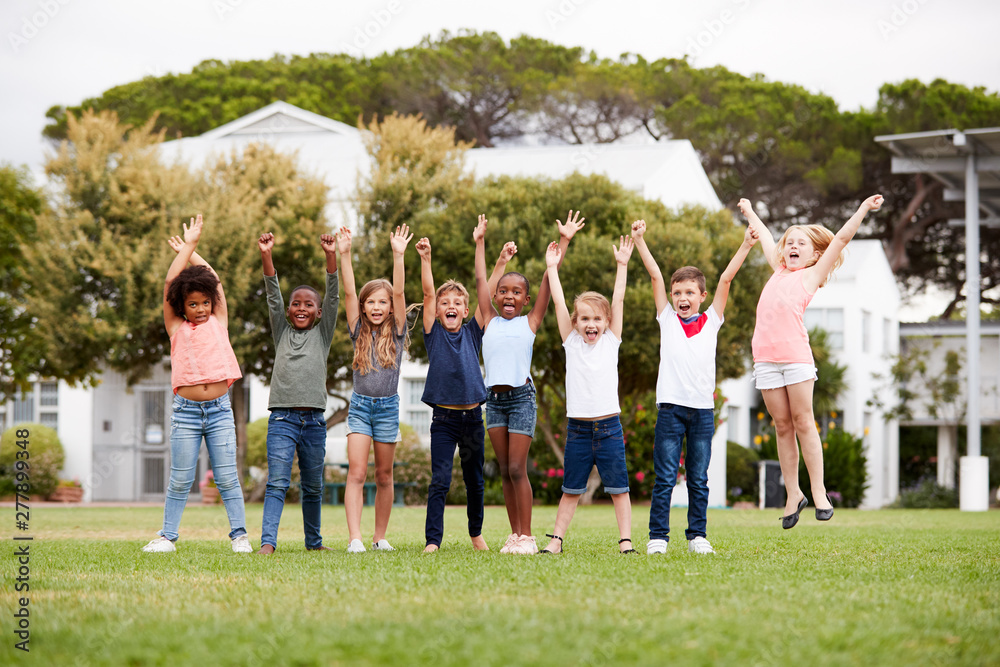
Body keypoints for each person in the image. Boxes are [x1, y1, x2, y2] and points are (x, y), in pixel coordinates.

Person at [739, 194, 883, 528]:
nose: (791, 246)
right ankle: (794, 493)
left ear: (814, 253)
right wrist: (748, 211)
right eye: (789, 242)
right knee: (782, 426)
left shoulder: (812, 275)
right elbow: (764, 234)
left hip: (795, 359)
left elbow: (843, 238)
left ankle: (818, 490)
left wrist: (862, 208)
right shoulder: (777, 269)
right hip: (765, 360)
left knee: (803, 421)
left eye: (800, 242)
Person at [631, 217, 758, 555]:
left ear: (702, 296)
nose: (682, 298)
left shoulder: (712, 319)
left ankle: (697, 536)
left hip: (702, 410)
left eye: (689, 293)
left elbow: (727, 277)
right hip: (671, 409)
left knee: (698, 478)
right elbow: (655, 275)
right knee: (665, 478)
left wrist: (746, 244)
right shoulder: (667, 319)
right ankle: (658, 537)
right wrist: (640, 240)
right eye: (677, 293)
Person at [477, 211, 585, 555]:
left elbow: (547, 283)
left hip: (522, 399)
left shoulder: (530, 321)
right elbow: (481, 280)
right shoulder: (489, 321)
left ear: (525, 300)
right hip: (493, 401)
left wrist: (563, 242)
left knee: (515, 468)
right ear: (495, 297)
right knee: (504, 473)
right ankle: (514, 535)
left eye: (517, 293)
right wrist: (479, 242)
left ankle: (528, 535)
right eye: (503, 291)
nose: (509, 296)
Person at [143, 215, 250, 554]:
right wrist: (186, 247)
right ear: (181, 306)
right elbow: (169, 283)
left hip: (219, 410)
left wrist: (193, 251)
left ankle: (240, 536)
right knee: (180, 479)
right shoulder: (176, 328)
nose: (202, 308)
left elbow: (214, 282)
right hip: (186, 413)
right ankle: (167, 537)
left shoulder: (219, 321)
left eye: (205, 302)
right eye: (194, 304)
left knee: (227, 478)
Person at [538, 236, 636, 555]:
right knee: (571, 489)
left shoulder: (611, 341)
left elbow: (619, 299)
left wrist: (622, 265)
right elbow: (558, 302)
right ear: (576, 323)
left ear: (606, 322)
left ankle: (625, 542)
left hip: (609, 428)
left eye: (597, 318)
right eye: (584, 319)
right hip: (578, 430)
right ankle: (556, 540)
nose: (590, 324)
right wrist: (552, 268)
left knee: (619, 489)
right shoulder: (571, 343)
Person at [255, 231, 339, 555]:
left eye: (308, 305)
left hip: (314, 422)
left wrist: (330, 255)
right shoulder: (281, 331)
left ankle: (313, 543)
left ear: (318, 312)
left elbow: (333, 295)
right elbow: (272, 295)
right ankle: (267, 543)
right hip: (282, 418)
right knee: (277, 482)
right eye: (296, 304)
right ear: (288, 310)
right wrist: (267, 254)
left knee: (313, 486)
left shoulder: (323, 333)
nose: (301, 308)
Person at [414, 227, 493, 553]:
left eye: (457, 303)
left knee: (475, 481)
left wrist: (482, 246)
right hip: (444, 421)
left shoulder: (474, 332)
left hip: (473, 418)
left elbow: (484, 290)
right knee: (440, 480)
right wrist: (426, 259)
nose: (450, 305)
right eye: (445, 302)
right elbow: (429, 294)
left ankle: (476, 534)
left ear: (465, 310)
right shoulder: (433, 332)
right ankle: (433, 541)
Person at [338, 225, 413, 553]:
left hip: (387, 408)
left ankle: (379, 536)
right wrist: (345, 254)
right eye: (372, 302)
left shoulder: (397, 331)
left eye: (383, 302)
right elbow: (350, 293)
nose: (377, 306)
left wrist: (399, 256)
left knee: (384, 475)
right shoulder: (358, 330)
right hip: (360, 407)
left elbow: (399, 293)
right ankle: (355, 538)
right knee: (356, 472)